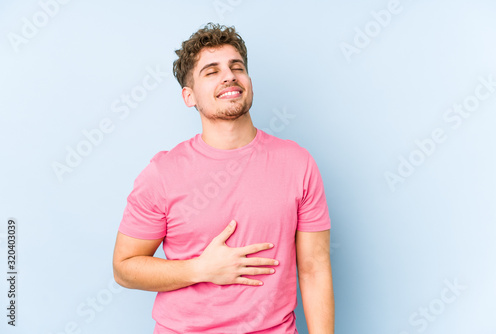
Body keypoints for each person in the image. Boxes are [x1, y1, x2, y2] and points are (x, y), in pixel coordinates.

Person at [112, 22, 335, 334]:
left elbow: (313, 268)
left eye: (236, 67)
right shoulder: (162, 174)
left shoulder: (298, 163)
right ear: (188, 96)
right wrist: (200, 269)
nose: (229, 75)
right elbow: (124, 268)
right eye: (211, 71)